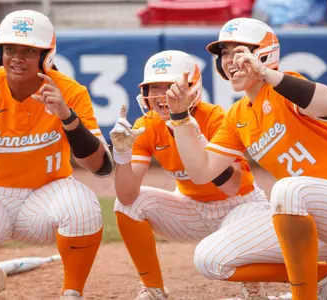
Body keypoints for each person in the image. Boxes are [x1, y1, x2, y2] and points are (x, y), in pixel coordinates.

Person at [166, 18, 327, 300]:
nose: (229, 60)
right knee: (210, 258)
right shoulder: (237, 115)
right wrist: (179, 118)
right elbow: (201, 173)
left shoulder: (284, 86)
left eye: (239, 51)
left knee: (287, 189)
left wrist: (267, 74)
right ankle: (325, 276)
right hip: (314, 229)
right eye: (224, 53)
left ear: (263, 54)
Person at [0, 10, 114, 300]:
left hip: (45, 196)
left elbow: (101, 167)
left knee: (83, 207)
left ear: (46, 56)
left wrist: (68, 117)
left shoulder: (68, 91)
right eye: (10, 49)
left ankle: (72, 293)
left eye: (29, 50)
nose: (17, 57)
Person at [109, 50, 271, 300]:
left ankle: (314, 273)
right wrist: (122, 155)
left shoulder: (217, 118)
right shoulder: (146, 125)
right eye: (155, 87)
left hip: (240, 206)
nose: (162, 95)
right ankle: (153, 289)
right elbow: (127, 196)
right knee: (127, 206)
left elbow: (232, 186)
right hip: (191, 207)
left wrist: (189, 133)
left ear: (192, 88)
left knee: (222, 258)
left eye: (171, 86)